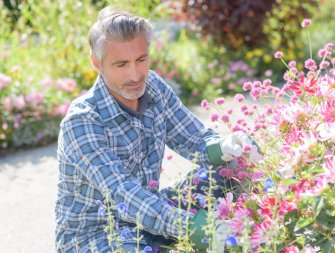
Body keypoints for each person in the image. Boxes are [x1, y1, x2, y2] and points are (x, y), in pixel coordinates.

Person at [55, 6, 262, 253]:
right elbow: (126, 197)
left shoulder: (152, 86)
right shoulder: (82, 121)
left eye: (141, 59)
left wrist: (226, 147)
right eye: (121, 64)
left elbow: (195, 139)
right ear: (97, 63)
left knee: (234, 167)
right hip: (99, 235)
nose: (135, 75)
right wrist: (195, 228)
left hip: (152, 212)